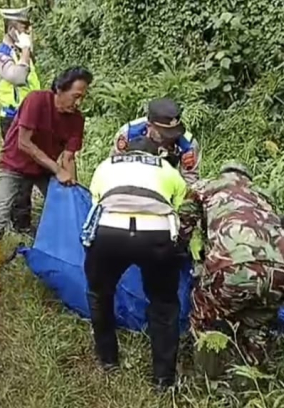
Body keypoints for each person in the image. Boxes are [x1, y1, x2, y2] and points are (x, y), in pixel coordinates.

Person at [0, 67, 93, 306]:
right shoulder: (36, 101)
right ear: (60, 89)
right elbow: (24, 143)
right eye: (76, 95)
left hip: (43, 170)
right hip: (14, 166)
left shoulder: (76, 120)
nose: (79, 102)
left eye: (83, 96)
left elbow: (69, 158)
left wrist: (72, 186)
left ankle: (66, 265)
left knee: (66, 213)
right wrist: (57, 169)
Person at [83, 136, 187, 390]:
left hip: (110, 232)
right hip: (157, 235)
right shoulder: (168, 170)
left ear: (126, 152)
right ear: (156, 155)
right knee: (163, 304)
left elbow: (96, 201)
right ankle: (163, 379)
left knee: (100, 294)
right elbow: (179, 207)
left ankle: (108, 361)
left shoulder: (107, 165)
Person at [180, 162, 284, 378]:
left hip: (234, 265)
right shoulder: (263, 196)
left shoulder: (206, 186)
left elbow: (184, 222)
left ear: (223, 174)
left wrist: (181, 251)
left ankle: (208, 378)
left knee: (204, 316)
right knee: (257, 325)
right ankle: (254, 381)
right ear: (247, 178)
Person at [0, 6, 42, 232]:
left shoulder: (21, 54)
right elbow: (18, 77)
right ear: (12, 30)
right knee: (19, 171)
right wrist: (26, 49)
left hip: (31, 118)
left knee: (30, 170)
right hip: (13, 119)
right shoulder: (0, 55)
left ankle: (23, 218)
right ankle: (19, 223)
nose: (27, 33)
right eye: (23, 28)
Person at [112, 98, 201, 186]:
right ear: (149, 125)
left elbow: (189, 181)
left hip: (167, 182)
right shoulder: (128, 133)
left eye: (174, 133)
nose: (170, 138)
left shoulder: (188, 145)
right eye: (164, 134)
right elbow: (114, 168)